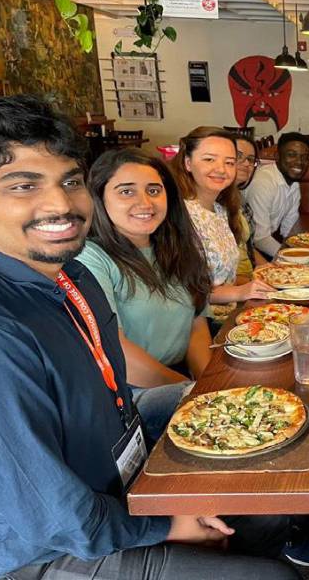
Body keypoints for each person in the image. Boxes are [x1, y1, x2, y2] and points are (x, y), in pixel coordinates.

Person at [0, 95, 299, 580]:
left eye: (69, 182)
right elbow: (53, 514)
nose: (59, 204)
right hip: (43, 547)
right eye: (23, 185)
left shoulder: (73, 276)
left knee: (268, 501)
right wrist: (165, 523)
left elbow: (121, 395)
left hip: (116, 471)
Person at [76, 149, 212, 442]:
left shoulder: (174, 246)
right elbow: (116, 351)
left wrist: (208, 381)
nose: (145, 203)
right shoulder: (91, 258)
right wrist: (194, 389)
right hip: (131, 393)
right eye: (126, 191)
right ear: (99, 198)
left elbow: (196, 322)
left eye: (154, 190)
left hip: (180, 378)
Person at [171, 126, 272, 321]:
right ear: (188, 163)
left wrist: (260, 280)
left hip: (234, 316)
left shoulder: (221, 210)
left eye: (229, 162)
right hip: (200, 326)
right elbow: (182, 290)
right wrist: (240, 292)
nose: (221, 169)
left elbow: (225, 278)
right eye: (209, 159)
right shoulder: (180, 214)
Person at [242, 132, 309, 258]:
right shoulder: (263, 183)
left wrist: (308, 250)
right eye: (291, 155)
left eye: (304, 157)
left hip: (265, 245)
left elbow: (289, 229)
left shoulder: (294, 183)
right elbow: (259, 238)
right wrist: (292, 258)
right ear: (277, 156)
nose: (299, 162)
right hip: (247, 251)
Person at [233, 135, 269, 274]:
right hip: (236, 287)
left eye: (250, 159)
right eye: (238, 156)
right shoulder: (213, 201)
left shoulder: (238, 197)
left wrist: (269, 269)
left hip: (250, 275)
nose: (247, 163)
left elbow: (247, 246)